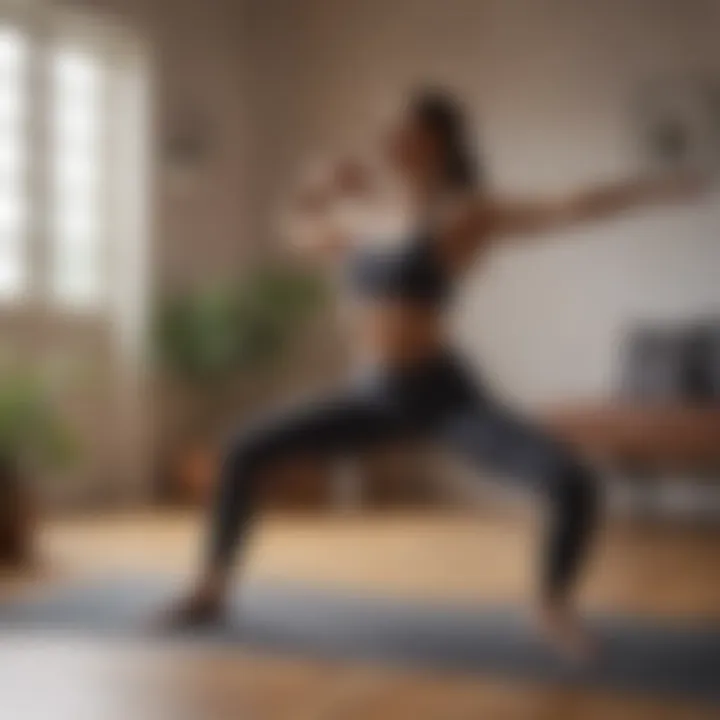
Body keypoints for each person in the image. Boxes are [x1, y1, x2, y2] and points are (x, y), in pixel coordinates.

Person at [162, 88, 706, 659]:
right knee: (243, 450)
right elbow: (297, 235)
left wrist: (657, 186)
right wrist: (315, 189)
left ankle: (553, 606)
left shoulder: (464, 214)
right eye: (386, 128)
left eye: (401, 129)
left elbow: (569, 206)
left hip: (443, 394)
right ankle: (211, 589)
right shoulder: (364, 215)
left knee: (572, 482)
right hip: (371, 393)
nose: (385, 139)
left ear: (436, 141)